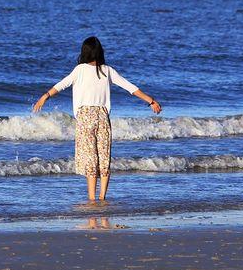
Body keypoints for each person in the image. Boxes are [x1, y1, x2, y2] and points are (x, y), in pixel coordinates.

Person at [32, 37, 161, 201]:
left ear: (84, 52)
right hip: (102, 116)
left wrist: (45, 96)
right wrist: (151, 101)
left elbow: (61, 85)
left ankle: (92, 199)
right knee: (104, 157)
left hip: (85, 117)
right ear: (100, 51)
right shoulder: (107, 70)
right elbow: (130, 87)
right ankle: (102, 198)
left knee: (91, 159)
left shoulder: (79, 70)